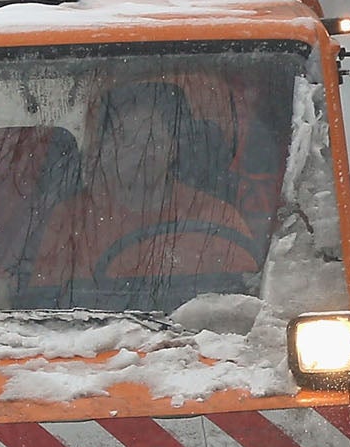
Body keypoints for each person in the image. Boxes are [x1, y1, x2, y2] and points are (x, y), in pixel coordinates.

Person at [34, 80, 261, 298]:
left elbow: (245, 304)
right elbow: (46, 308)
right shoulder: (71, 221)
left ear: (172, 148)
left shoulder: (217, 218)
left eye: (152, 137)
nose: (142, 151)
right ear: (103, 151)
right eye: (127, 139)